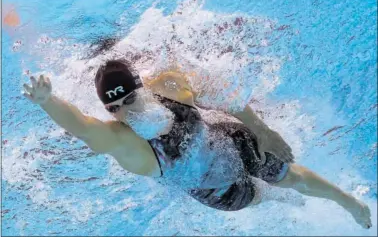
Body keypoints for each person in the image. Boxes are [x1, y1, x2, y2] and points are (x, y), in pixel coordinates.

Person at [23, 59, 372, 228]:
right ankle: (286, 199)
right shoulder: (127, 145)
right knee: (270, 194)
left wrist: (262, 128)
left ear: (143, 88)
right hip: (218, 192)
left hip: (230, 141)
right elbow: (84, 128)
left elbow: (224, 94)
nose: (125, 113)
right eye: (114, 109)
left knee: (289, 175)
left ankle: (348, 202)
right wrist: (47, 101)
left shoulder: (169, 85)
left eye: (129, 100)